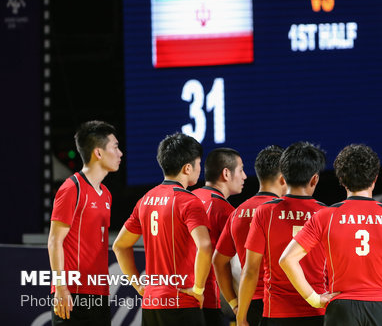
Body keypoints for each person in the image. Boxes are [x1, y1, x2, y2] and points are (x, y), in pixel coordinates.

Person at [280, 144, 382, 326]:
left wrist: (314, 299)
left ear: (341, 179)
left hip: (342, 309)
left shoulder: (326, 216)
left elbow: (287, 260)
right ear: (375, 178)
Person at [112, 132, 212, 326]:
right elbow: (205, 246)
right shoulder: (189, 201)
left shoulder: (145, 200)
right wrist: (198, 290)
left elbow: (119, 246)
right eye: (199, 164)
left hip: (152, 303)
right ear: (187, 167)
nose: (201, 170)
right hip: (182, 302)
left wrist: (139, 286)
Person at [237, 141, 328, 326]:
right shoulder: (325, 213)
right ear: (315, 179)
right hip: (318, 309)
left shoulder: (265, 212)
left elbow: (250, 270)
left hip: (277, 313)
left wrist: (241, 317)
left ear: (283, 178)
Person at [47, 120, 122, 325]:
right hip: (72, 295)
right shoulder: (72, 188)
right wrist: (61, 287)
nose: (120, 153)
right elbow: (55, 241)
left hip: (100, 294)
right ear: (98, 153)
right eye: (115, 147)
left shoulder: (106, 194)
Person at [212, 145, 288, 326]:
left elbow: (218, 261)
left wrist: (235, 305)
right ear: (283, 177)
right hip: (285, 302)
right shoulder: (287, 211)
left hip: (251, 305)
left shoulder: (237, 213)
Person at [193, 147, 247, 325]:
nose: (245, 176)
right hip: (206, 300)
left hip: (175, 299)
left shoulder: (187, 199)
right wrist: (239, 305)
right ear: (226, 173)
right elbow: (238, 268)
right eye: (241, 170)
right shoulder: (226, 212)